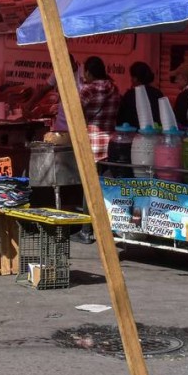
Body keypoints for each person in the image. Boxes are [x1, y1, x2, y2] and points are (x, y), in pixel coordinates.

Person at [73, 56, 120, 244]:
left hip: (91, 142)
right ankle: (108, 226)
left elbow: (74, 112)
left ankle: (86, 230)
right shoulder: (114, 88)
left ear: (90, 73)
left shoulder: (88, 90)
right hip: (111, 142)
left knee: (90, 186)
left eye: (85, 72)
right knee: (106, 186)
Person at [25, 53, 78, 141]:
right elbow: (43, 90)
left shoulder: (83, 73)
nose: (63, 69)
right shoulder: (58, 72)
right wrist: (29, 104)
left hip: (78, 119)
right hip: (62, 118)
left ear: (72, 63)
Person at [116, 61, 165, 129]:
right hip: (155, 133)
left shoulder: (130, 95)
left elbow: (121, 118)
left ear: (135, 79)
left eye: (132, 77)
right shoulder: (158, 93)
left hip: (133, 134)